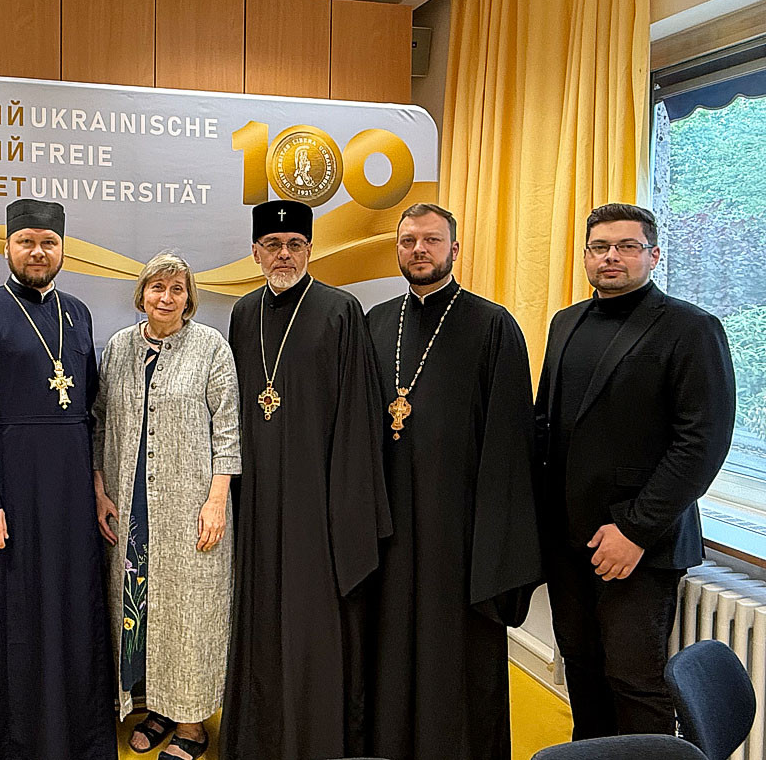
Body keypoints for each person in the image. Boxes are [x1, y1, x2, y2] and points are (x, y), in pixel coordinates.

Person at [536, 202, 736, 739]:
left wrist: (635, 530)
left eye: (627, 246)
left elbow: (701, 443)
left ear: (653, 254)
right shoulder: (566, 323)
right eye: (600, 247)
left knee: (635, 682)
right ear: (585, 255)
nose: (612, 257)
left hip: (639, 546)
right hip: (568, 541)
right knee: (581, 670)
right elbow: (547, 425)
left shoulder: (691, 328)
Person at [363, 202, 541, 760]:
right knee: (388, 648)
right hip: (389, 525)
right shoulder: (375, 323)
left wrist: (493, 548)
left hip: (460, 533)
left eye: (431, 240)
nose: (419, 250)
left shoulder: (492, 325)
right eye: (408, 240)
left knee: (455, 660)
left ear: (455, 249)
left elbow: (511, 445)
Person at [0, 198, 116, 760]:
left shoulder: (79, 314)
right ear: (7, 247)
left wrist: (96, 488)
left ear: (62, 249)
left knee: (70, 610)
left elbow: (91, 412)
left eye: (48, 243)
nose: (38, 252)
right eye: (27, 242)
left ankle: (71, 740)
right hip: (8, 489)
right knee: (6, 617)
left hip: (69, 493)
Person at [220, 199, 390, 760]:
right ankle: (259, 738)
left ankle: (313, 739)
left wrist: (345, 507)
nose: (284, 255)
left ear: (310, 250)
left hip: (318, 498)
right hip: (257, 495)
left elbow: (359, 416)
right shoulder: (243, 313)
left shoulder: (341, 310)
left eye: (295, 245)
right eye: (273, 245)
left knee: (311, 619)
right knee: (259, 613)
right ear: (255, 252)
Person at [92, 251, 241, 760]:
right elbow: (98, 422)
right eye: (157, 287)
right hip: (131, 508)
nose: (167, 297)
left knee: (189, 613)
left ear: (189, 298)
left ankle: (192, 724)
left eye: (177, 289)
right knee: (142, 612)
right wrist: (99, 488)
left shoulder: (211, 347)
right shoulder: (119, 348)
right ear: (142, 294)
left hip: (191, 508)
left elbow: (228, 430)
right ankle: (157, 708)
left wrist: (217, 500)